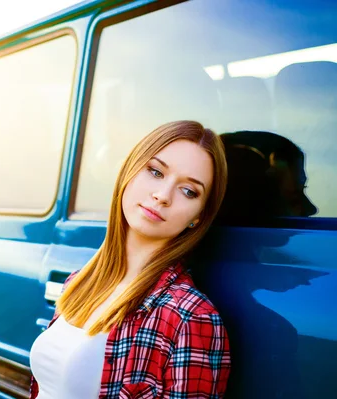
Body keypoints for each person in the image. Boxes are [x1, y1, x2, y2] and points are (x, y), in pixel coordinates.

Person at [29, 120, 231, 399]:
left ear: (198, 216)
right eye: (155, 171)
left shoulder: (190, 316)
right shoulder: (79, 281)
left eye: (188, 191)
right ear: (130, 171)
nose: (162, 196)